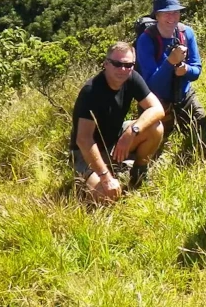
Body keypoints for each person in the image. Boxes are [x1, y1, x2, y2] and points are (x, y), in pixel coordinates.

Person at [70, 42, 165, 202]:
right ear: (106, 64)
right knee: (107, 195)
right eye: (117, 64)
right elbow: (84, 139)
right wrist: (105, 176)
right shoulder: (91, 91)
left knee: (155, 127)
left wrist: (131, 131)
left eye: (128, 65)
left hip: (115, 138)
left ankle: (138, 173)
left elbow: (157, 109)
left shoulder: (132, 78)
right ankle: (101, 175)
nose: (123, 69)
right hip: (86, 153)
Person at [136, 0, 206, 142]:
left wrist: (186, 70)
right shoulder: (146, 40)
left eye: (176, 12)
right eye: (166, 13)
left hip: (184, 96)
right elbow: (152, 85)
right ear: (156, 15)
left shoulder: (187, 33)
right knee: (155, 143)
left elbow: (196, 70)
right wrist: (170, 62)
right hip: (157, 100)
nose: (172, 17)